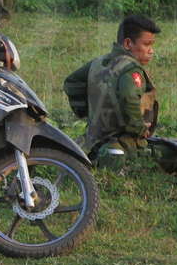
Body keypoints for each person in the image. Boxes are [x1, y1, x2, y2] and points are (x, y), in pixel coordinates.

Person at [63, 15, 160, 169]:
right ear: (128, 43)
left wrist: (87, 112)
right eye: (147, 44)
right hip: (121, 146)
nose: (151, 51)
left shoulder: (98, 62)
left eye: (152, 45)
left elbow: (71, 83)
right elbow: (129, 96)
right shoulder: (131, 68)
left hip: (92, 144)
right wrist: (139, 128)